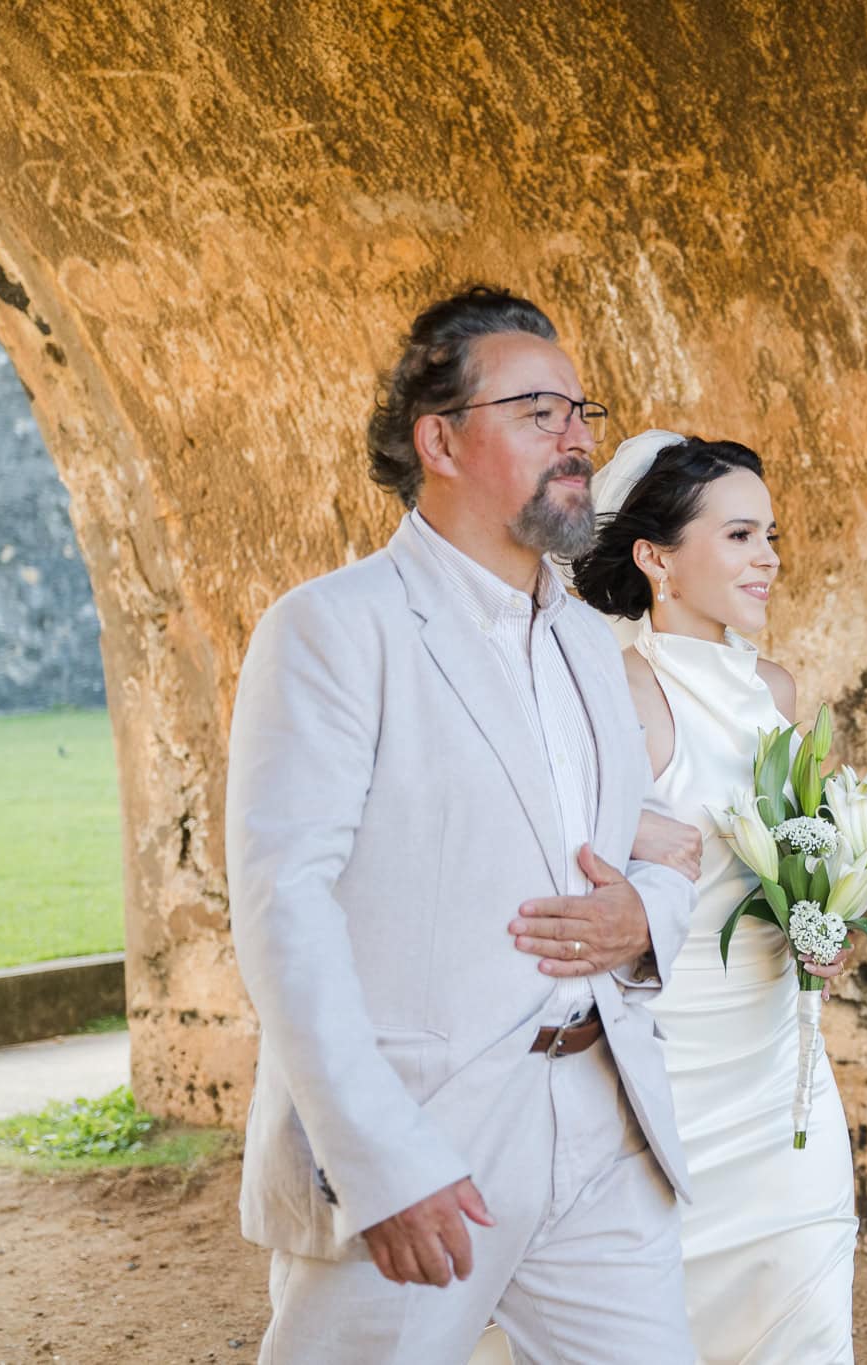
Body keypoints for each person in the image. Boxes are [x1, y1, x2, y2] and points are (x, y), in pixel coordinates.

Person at [228, 286, 704, 1363]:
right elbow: (281, 912)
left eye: (582, 412)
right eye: (540, 412)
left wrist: (645, 915)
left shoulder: (589, 644)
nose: (580, 439)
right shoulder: (332, 632)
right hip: (425, 1130)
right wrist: (380, 1161)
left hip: (604, 1117)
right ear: (437, 439)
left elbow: (655, 842)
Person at [568, 430, 859, 1363]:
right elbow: (559, 857)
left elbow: (805, 848)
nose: (767, 557)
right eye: (738, 536)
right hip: (673, 1070)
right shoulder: (624, 692)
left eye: (770, 534)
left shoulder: (777, 690)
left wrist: (829, 919)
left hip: (782, 1067)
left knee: (804, 1306)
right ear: (656, 557)